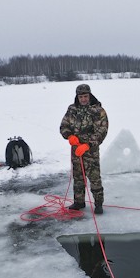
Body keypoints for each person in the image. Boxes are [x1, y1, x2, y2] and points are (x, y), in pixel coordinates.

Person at [60, 84, 109, 214]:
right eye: (81, 97)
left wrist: (88, 145)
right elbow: (64, 125)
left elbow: (102, 131)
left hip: (90, 151)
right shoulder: (72, 109)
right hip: (76, 150)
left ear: (90, 95)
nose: (83, 99)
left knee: (94, 178)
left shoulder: (98, 110)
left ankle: (98, 204)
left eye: (85, 96)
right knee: (78, 177)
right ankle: (79, 202)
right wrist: (69, 136)